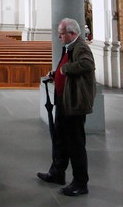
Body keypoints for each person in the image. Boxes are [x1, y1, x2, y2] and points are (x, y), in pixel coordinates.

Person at [37, 18, 96, 197]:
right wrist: (56, 74)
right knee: (60, 138)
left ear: (72, 33)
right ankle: (57, 172)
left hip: (74, 103)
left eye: (61, 34)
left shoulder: (81, 47)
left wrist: (65, 70)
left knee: (75, 143)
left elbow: (87, 64)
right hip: (64, 100)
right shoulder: (69, 47)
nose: (59, 37)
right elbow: (66, 69)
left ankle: (80, 182)